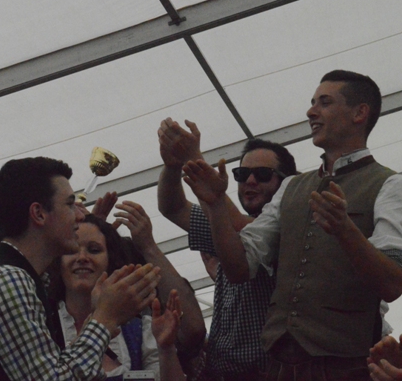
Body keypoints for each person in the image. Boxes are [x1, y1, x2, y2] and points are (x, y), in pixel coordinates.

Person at [184, 70, 402, 379]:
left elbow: (392, 285)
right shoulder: (291, 187)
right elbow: (238, 269)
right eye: (313, 102)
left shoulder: (390, 184)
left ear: (359, 113)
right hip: (280, 366)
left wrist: (345, 231)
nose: (311, 111)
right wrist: (217, 204)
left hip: (346, 367)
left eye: (324, 102)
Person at [0, 156, 161, 381]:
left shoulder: (16, 277)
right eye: (69, 205)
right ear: (39, 213)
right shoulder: (7, 281)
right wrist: (105, 318)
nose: (80, 215)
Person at [158, 118, 297, 380]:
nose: (251, 181)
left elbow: (243, 228)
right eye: (242, 174)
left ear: (286, 184)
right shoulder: (224, 225)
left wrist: (193, 159)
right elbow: (172, 207)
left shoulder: (289, 226)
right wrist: (173, 166)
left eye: (263, 174)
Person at [52, 213, 186, 381]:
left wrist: (166, 349)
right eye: (73, 249)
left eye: (94, 250)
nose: (82, 257)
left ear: (110, 260)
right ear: (58, 260)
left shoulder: (139, 329)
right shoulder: (43, 324)